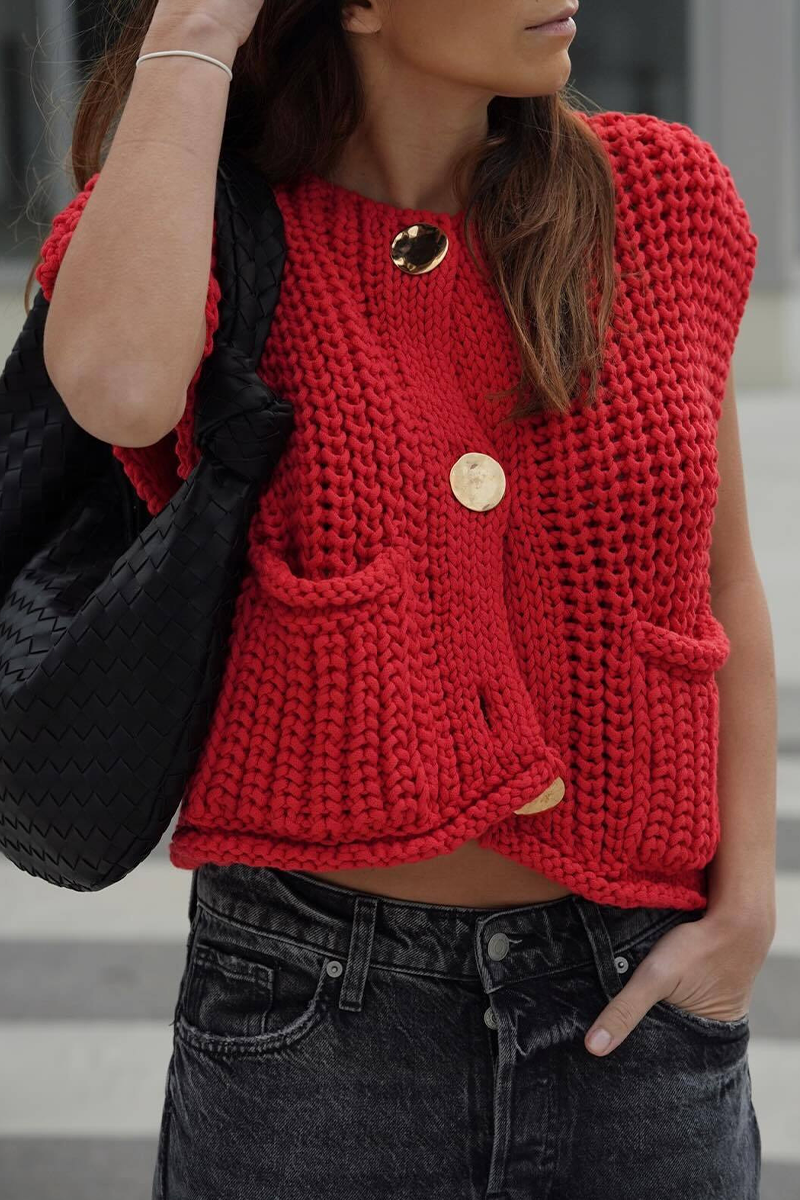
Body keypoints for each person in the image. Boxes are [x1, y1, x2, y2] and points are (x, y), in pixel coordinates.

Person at [31, 1, 777, 1197]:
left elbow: (722, 580)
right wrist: (197, 33)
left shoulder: (656, 198)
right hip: (313, 1024)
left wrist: (741, 916)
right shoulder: (216, 228)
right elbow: (119, 387)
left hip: (637, 1017)